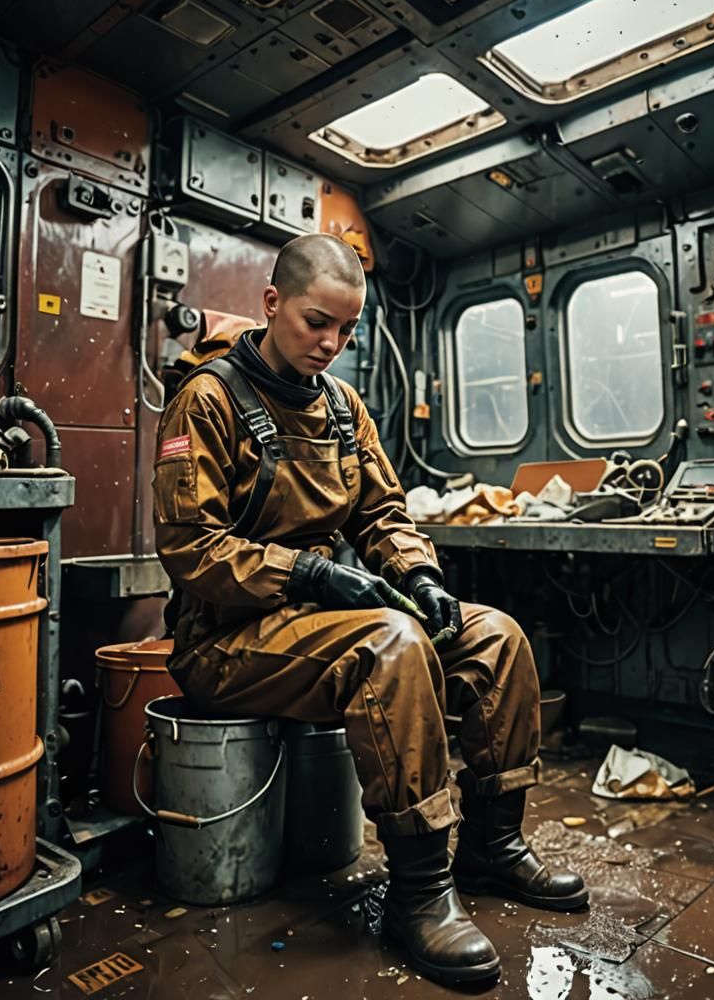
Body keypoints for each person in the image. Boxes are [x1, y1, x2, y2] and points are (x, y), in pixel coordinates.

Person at [153, 233, 588, 987]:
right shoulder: (209, 399)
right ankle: (419, 894)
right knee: (388, 646)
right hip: (224, 640)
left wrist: (420, 577)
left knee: (495, 637)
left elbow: (383, 513)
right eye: (316, 321)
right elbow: (192, 550)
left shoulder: (344, 407)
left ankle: (492, 845)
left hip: (317, 624)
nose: (332, 343)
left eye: (347, 329)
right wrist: (316, 573)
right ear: (272, 304)